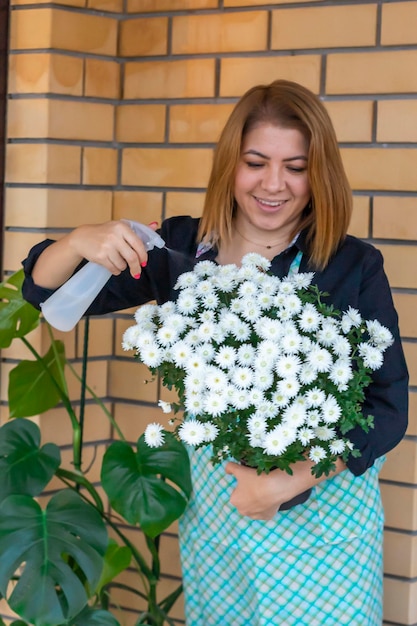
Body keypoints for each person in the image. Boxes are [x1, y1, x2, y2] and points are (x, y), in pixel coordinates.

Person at [22, 79, 408, 626]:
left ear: (318, 172)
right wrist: (78, 241)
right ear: (230, 163)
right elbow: (47, 294)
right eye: (256, 162)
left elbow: (388, 405)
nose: (275, 184)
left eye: (296, 167)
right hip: (223, 521)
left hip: (326, 529)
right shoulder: (181, 248)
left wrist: (293, 478)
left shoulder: (351, 265)